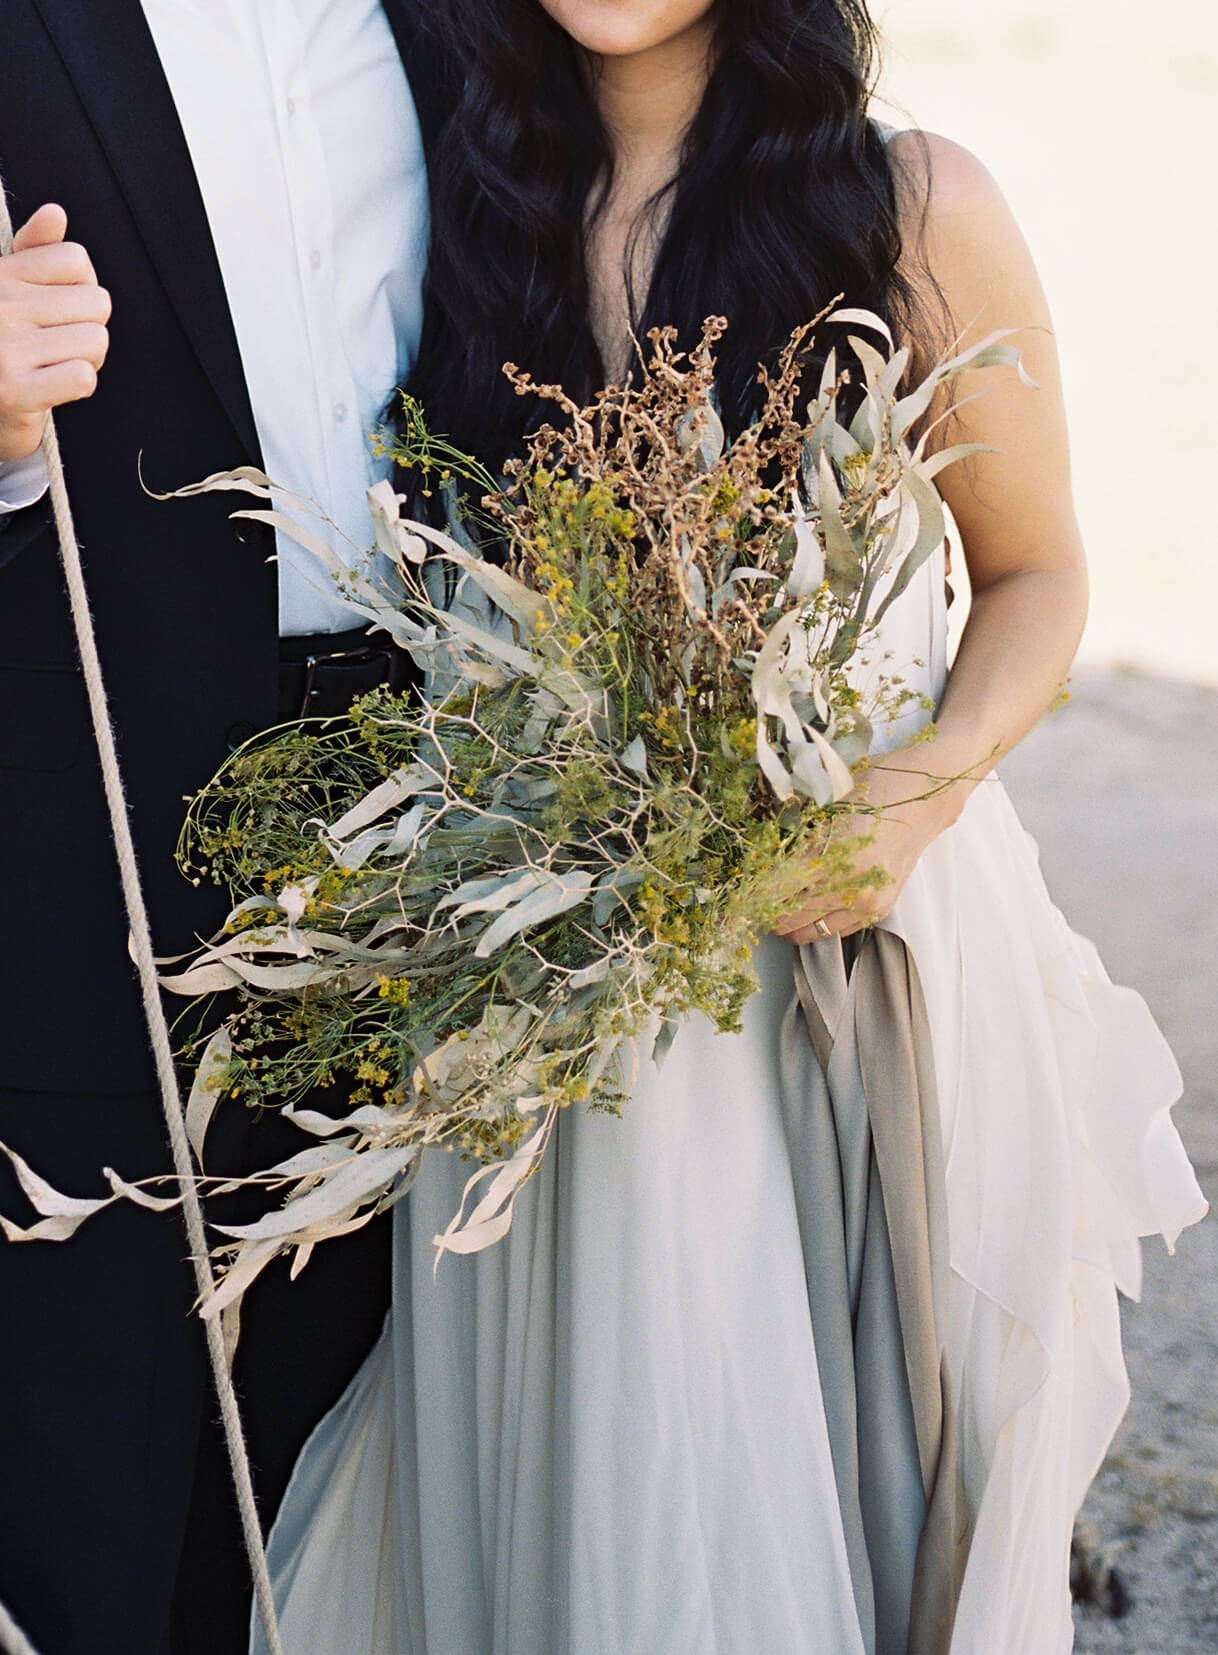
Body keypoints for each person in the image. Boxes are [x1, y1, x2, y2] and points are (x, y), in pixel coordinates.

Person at [251, 2, 1206, 1653]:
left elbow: (1039, 574)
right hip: (540, 988)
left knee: (799, 1450)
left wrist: (920, 790)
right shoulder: (459, 212)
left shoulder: (911, 207)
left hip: (827, 955)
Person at [0, 5, 456, 1653]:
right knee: (84, 1529)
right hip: (80, 872)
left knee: (336, 1512)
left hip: (446, 873)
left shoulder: (489, 20)